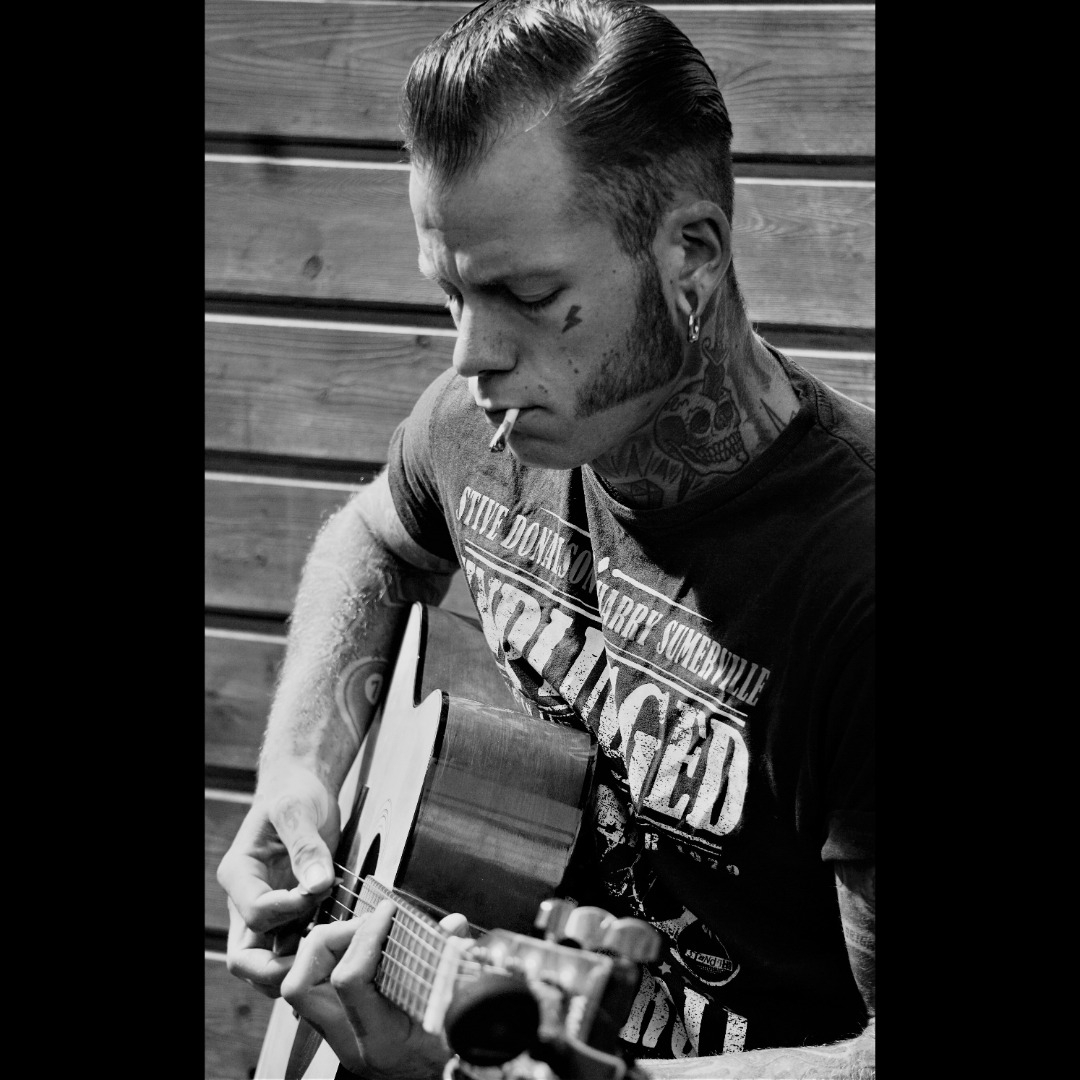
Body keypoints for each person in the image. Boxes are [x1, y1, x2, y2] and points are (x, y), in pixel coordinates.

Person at [215, 1, 875, 1076]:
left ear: (691, 256)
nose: (471, 356)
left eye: (526, 294)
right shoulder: (478, 429)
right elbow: (370, 540)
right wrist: (300, 773)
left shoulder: (852, 581)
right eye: (451, 294)